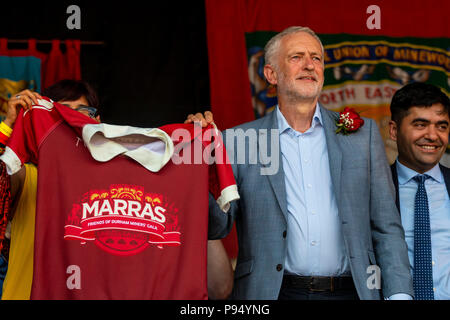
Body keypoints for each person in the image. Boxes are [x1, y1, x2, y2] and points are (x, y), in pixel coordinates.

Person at [190, 26, 413, 300]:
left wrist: (400, 295)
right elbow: (218, 225)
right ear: (271, 74)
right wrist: (198, 157)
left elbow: (386, 226)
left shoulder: (362, 135)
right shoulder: (238, 141)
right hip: (272, 293)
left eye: (316, 58)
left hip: (351, 291)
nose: (310, 65)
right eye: (297, 57)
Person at [0, 80, 233, 299]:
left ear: (96, 121)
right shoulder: (28, 174)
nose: (71, 119)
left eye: (82, 112)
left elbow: (220, 287)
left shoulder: (123, 186)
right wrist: (7, 127)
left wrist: (188, 159)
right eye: (62, 113)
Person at [388, 82, 450, 300]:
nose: (433, 136)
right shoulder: (373, 188)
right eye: (420, 125)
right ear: (394, 131)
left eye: (442, 126)